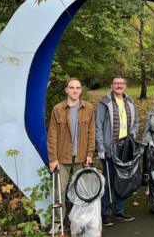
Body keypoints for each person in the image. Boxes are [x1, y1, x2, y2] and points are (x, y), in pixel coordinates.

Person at [47, 78, 95, 234]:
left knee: (81, 193)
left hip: (81, 158)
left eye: (78, 88)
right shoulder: (58, 109)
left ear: (81, 90)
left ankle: (78, 222)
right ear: (66, 90)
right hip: (62, 159)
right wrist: (53, 159)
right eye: (72, 87)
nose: (75, 90)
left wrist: (90, 153)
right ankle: (58, 222)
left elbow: (91, 133)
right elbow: (52, 135)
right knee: (58, 193)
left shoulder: (88, 108)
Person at [95, 76, 138, 227]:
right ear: (111, 85)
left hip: (124, 148)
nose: (119, 86)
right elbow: (98, 126)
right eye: (116, 83)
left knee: (121, 181)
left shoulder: (130, 101)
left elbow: (136, 123)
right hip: (108, 148)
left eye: (122, 83)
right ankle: (106, 213)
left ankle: (119, 211)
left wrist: (132, 136)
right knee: (107, 182)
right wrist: (100, 147)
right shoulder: (104, 102)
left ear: (125, 85)